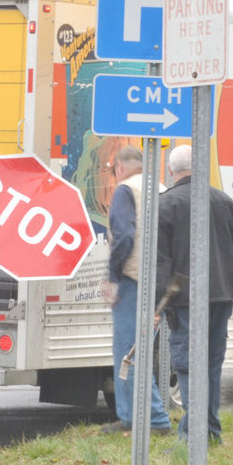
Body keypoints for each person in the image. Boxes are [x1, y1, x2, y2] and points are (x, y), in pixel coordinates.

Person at [156, 145, 233, 443]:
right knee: (210, 365)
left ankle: (195, 437)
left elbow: (160, 263)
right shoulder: (225, 202)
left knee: (187, 365)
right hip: (221, 297)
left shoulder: (165, 204)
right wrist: (227, 283)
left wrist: (157, 304)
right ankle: (208, 433)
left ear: (171, 171)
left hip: (183, 300)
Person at [102, 145, 172, 434]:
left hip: (133, 280)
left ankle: (152, 419)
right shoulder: (161, 188)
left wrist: (112, 278)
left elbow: (124, 237)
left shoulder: (124, 191)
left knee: (128, 351)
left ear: (119, 167)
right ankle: (133, 417)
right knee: (140, 348)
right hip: (160, 281)